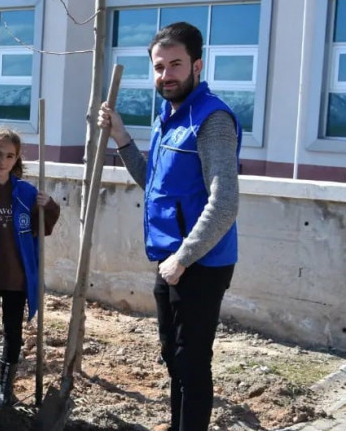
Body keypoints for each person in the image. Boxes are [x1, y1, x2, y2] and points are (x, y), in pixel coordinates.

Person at [98, 22, 241, 431]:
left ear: (197, 64)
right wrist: (122, 138)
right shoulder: (169, 116)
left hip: (200, 262)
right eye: (159, 67)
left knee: (192, 363)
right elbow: (155, 182)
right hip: (170, 260)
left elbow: (225, 202)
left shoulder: (211, 120)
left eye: (176, 64)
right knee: (174, 358)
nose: (167, 75)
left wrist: (183, 257)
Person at [0, 127, 60, 413]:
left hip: (16, 277)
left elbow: (42, 228)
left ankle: (4, 389)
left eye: (9, 156)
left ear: (16, 158)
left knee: (14, 334)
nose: (2, 161)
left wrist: (50, 207)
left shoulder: (26, 193)